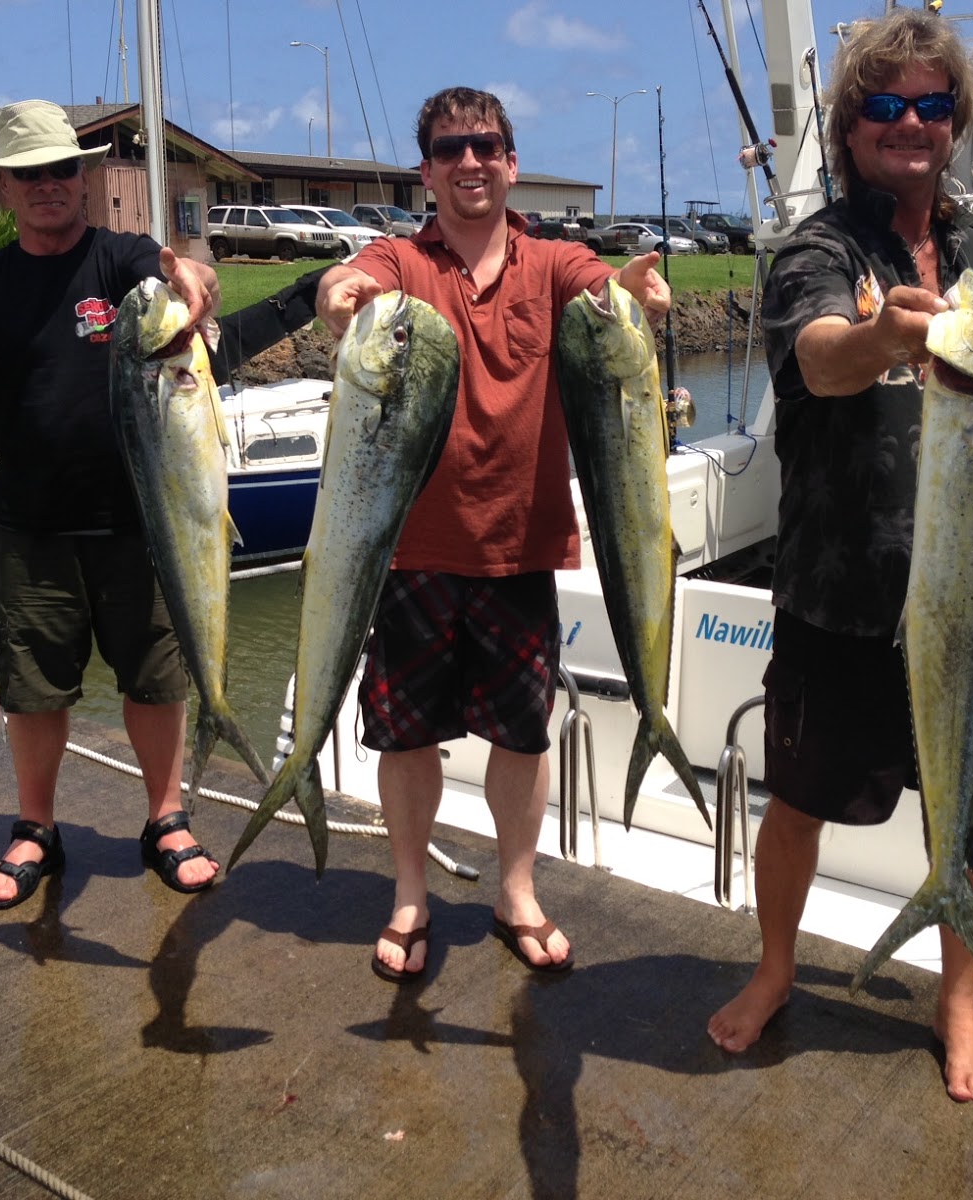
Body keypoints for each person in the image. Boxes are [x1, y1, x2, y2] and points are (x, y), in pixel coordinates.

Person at [703, 9, 973, 1102]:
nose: (907, 125)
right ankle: (776, 970)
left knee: (969, 810)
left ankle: (955, 998)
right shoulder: (817, 250)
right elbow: (819, 360)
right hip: (841, 593)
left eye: (928, 105)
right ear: (851, 123)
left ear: (954, 123)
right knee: (800, 802)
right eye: (883, 106)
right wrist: (885, 338)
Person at [0, 100, 324, 910]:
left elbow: (179, 275)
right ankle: (35, 828)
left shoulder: (120, 262)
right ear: (5, 191)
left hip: (143, 519)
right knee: (35, 689)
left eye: (60, 171)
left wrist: (193, 277)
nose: (47, 186)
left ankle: (166, 819)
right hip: (30, 523)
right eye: (29, 176)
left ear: (82, 180)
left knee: (156, 680)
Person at [314, 87, 671, 983]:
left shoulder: (556, 263)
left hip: (520, 550)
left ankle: (517, 889)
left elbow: (610, 293)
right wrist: (338, 289)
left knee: (523, 736)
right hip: (411, 552)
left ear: (511, 162)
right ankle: (408, 891)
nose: (469, 161)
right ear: (427, 169)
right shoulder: (402, 258)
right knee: (404, 736)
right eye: (449, 148)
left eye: (485, 146)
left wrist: (636, 292)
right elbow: (351, 283)